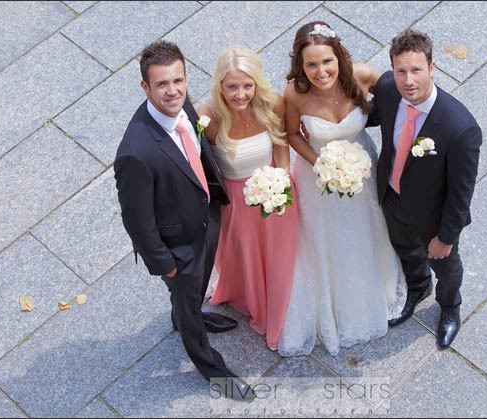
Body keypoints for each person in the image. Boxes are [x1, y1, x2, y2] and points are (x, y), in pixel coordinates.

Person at [114, 40, 254, 400]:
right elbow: (137, 221)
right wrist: (167, 266)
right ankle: (212, 368)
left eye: (178, 81)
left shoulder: (182, 106)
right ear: (144, 87)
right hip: (178, 248)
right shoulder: (135, 152)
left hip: (206, 219)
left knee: (192, 295)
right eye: (161, 84)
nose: (173, 91)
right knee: (189, 297)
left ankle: (184, 314)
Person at [278, 21, 408, 357]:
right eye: (311, 64)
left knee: (366, 229)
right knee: (325, 239)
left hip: (361, 171)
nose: (321, 72)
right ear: (300, 65)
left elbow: (402, 95)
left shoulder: (363, 76)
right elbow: (291, 135)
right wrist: (318, 163)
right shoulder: (295, 94)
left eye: (327, 61)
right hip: (317, 177)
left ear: (339, 57)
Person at [368, 29, 482, 349]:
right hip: (391, 195)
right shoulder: (389, 90)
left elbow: (462, 193)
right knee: (404, 247)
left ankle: (449, 305)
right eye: (400, 71)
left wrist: (445, 238)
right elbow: (372, 116)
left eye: (416, 70)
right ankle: (418, 287)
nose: (408, 80)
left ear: (433, 68)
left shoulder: (460, 127)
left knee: (446, 267)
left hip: (434, 217)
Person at [197, 45, 299, 351]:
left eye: (247, 85)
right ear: (219, 86)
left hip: (274, 193)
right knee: (246, 257)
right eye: (232, 87)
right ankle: (252, 297)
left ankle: (279, 302)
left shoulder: (272, 104)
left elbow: (280, 145)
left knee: (281, 257)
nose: (240, 94)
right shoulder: (209, 118)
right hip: (237, 204)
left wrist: (282, 181)